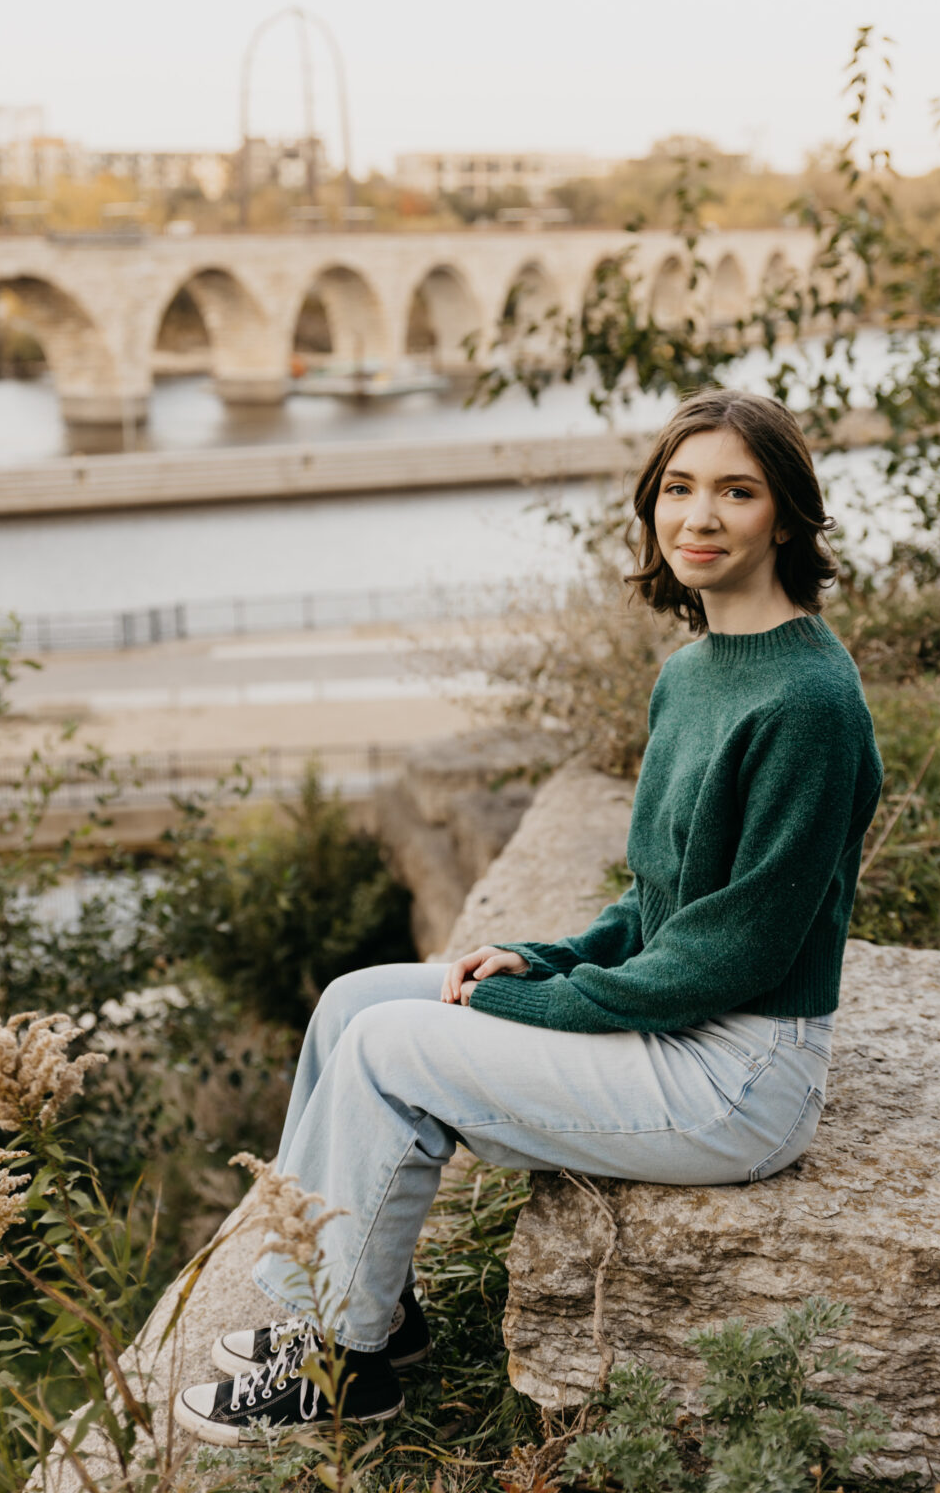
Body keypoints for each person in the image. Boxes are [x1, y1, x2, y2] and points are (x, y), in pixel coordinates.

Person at [174, 387, 884, 1445]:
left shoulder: (809, 703)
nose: (698, 516)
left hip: (734, 1073)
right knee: (352, 1000)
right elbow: (657, 899)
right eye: (677, 488)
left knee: (388, 1048)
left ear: (782, 517)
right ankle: (367, 1297)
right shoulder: (691, 674)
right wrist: (545, 955)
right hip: (674, 1019)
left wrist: (546, 1000)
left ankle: (338, 1363)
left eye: (735, 491)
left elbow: (735, 951)